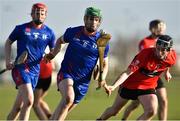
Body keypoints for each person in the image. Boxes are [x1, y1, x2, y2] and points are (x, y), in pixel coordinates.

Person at [44, 7, 110, 120]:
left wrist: (102, 79)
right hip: (66, 74)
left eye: (96, 19)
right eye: (90, 19)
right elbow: (60, 41)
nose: (93, 22)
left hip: (83, 83)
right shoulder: (74, 32)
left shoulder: (102, 41)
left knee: (63, 109)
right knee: (69, 98)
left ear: (99, 22)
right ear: (85, 19)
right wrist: (53, 54)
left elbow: (104, 63)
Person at [97, 35, 176, 120]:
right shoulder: (145, 54)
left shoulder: (172, 57)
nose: (159, 52)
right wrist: (113, 86)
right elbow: (127, 73)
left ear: (169, 50)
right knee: (114, 111)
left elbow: (168, 64)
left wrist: (167, 72)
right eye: (158, 48)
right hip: (130, 85)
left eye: (163, 50)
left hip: (148, 87)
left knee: (151, 110)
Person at [5, 3, 55, 120]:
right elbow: (8, 42)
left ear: (45, 15)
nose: (39, 15)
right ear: (32, 14)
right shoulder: (21, 29)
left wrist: (50, 55)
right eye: (37, 13)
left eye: (42, 13)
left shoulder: (49, 33)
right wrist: (8, 61)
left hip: (35, 72)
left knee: (18, 107)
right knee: (29, 101)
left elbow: (53, 51)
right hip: (21, 69)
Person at [122, 19, 169, 121]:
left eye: (163, 26)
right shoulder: (145, 42)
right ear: (152, 29)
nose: (161, 29)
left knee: (164, 100)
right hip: (144, 77)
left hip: (156, 76)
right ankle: (124, 119)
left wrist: (167, 71)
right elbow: (145, 59)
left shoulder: (165, 42)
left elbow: (167, 58)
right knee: (135, 104)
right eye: (159, 26)